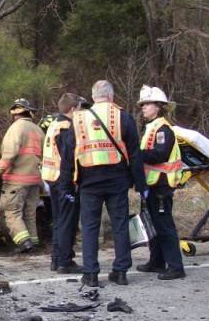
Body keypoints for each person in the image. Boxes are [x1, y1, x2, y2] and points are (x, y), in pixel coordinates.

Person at [59, 80, 147, 287]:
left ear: (93, 96)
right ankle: (121, 271)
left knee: (90, 227)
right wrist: (141, 185)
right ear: (110, 96)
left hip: (89, 179)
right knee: (120, 225)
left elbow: (67, 155)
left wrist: (66, 185)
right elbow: (135, 154)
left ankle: (90, 274)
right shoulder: (122, 117)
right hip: (117, 178)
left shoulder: (79, 120)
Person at [136, 86, 185, 280]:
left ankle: (175, 267)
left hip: (161, 186)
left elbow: (159, 154)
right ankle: (156, 261)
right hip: (152, 185)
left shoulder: (163, 129)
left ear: (159, 106)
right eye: (142, 104)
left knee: (164, 226)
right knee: (152, 225)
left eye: (147, 104)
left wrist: (135, 154)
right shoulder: (151, 128)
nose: (143, 108)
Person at [41, 93, 86, 273]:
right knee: (68, 221)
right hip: (63, 179)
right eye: (80, 109)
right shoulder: (67, 127)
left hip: (52, 177)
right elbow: (69, 155)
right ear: (73, 109)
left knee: (60, 220)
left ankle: (56, 257)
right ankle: (65, 261)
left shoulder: (54, 124)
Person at [0, 98, 45, 253]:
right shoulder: (38, 130)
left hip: (16, 180)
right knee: (29, 214)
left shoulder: (16, 128)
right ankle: (34, 242)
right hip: (34, 179)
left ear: (14, 114)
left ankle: (23, 242)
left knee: (12, 212)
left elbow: (10, 153)